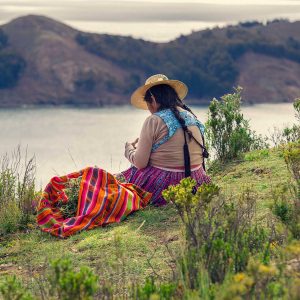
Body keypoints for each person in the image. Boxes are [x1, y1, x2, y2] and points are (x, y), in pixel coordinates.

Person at [115, 74, 211, 206]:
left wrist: (129, 149)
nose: (149, 110)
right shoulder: (189, 115)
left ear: (153, 99)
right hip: (197, 180)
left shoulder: (154, 120)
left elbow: (140, 162)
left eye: (148, 104)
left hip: (169, 184)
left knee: (125, 176)